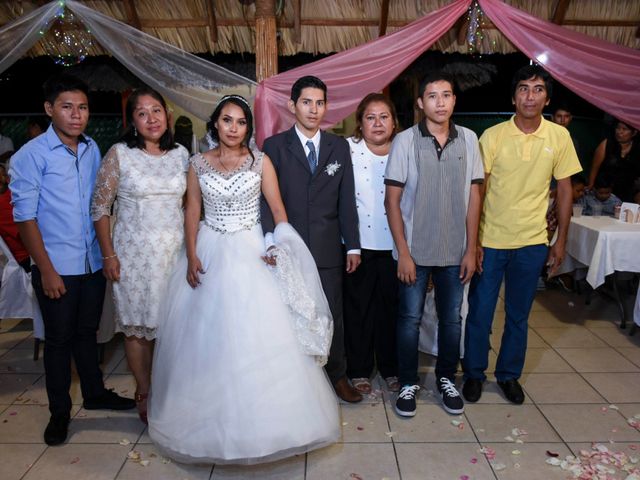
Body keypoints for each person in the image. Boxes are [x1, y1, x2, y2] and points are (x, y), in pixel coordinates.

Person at [148, 95, 339, 464]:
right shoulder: (197, 164)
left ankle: (266, 422)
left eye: (240, 122)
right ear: (215, 124)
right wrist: (191, 254)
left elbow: (278, 208)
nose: (233, 127)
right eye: (226, 120)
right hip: (210, 248)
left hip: (252, 250)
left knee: (259, 335)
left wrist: (278, 247)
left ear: (248, 128)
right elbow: (192, 211)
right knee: (208, 339)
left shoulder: (260, 162)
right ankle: (207, 419)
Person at [9, 74, 134, 446]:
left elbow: (99, 204)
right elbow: (24, 218)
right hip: (56, 266)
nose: (76, 115)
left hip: (92, 263)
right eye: (67, 107)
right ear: (50, 109)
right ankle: (59, 412)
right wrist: (45, 269)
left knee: (88, 333)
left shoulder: (93, 148)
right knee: (59, 342)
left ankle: (94, 394)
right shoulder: (29, 156)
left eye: (82, 107)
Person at [462, 65, 582, 405]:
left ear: (546, 98)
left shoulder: (559, 137)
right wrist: (475, 242)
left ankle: (509, 375)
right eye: (524, 89)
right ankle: (473, 373)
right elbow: (478, 192)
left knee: (518, 314)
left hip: (532, 242)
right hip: (492, 242)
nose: (530, 96)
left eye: (538, 89)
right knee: (480, 312)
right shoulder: (494, 137)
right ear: (513, 96)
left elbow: (564, 190)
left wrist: (560, 241)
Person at [384, 71, 483, 417]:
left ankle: (446, 378)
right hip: (415, 250)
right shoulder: (405, 141)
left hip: (456, 251)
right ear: (420, 103)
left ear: (454, 100)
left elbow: (474, 198)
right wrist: (404, 254)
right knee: (409, 318)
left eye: (446, 95)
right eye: (432, 96)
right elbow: (392, 201)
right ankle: (408, 382)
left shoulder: (470, 140)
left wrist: (471, 249)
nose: (440, 102)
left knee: (452, 319)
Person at [261, 75, 363, 403]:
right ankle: (295, 380)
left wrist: (354, 244)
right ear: (292, 106)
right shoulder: (274, 146)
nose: (314, 109)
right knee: (290, 313)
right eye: (307, 102)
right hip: (287, 246)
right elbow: (265, 199)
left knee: (331, 312)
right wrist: (269, 241)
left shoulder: (338, 146)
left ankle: (337, 375)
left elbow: (346, 200)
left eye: (320, 103)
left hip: (327, 247)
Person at [90, 87, 189, 424]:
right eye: (142, 113)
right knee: (137, 329)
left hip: (175, 255)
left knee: (174, 326)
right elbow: (100, 207)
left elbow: (191, 206)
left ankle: (171, 391)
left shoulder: (181, 155)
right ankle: (145, 391)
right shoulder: (119, 154)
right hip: (132, 255)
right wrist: (108, 255)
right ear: (132, 121)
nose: (151, 118)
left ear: (168, 115)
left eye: (156, 110)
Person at [344, 93, 400, 395]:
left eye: (384, 117)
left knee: (391, 310)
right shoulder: (347, 150)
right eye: (370, 117)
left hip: (395, 245)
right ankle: (359, 369)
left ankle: (391, 368)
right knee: (358, 310)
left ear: (394, 122)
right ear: (360, 123)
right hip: (359, 246)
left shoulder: (406, 150)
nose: (377, 123)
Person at [589, 120, 640, 202]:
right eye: (618, 128)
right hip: (606, 191)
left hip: (628, 190)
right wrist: (590, 185)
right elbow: (595, 167)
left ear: (634, 133)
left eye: (624, 129)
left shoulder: (637, 148)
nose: (620, 132)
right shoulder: (607, 144)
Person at [0, 164, 30, 271]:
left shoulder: (11, 191)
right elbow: (23, 233)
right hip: (26, 256)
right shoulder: (2, 204)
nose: (4, 179)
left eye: (4, 175)